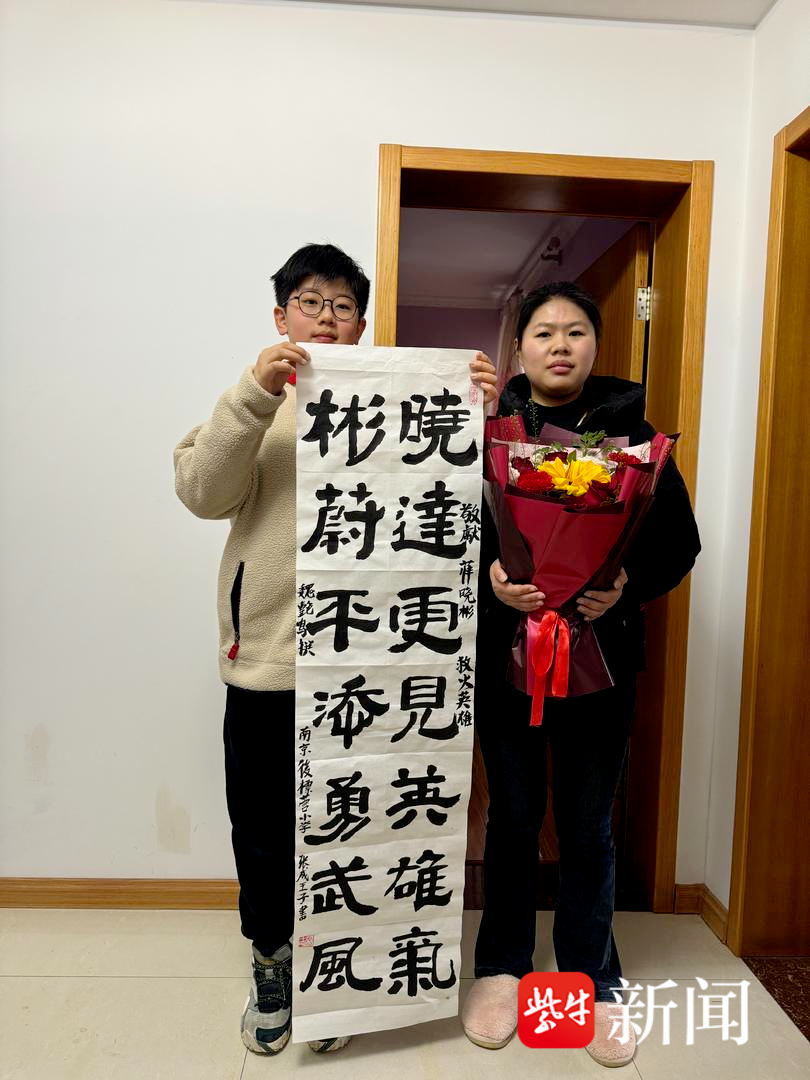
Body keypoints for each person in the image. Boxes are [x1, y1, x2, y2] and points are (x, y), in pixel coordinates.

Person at [174, 243, 497, 1057]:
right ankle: (273, 959)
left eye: (343, 306)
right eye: (311, 302)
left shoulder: (399, 405)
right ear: (281, 316)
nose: (327, 317)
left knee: (355, 825)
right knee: (264, 827)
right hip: (271, 660)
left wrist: (475, 411)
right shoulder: (259, 404)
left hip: (372, 665)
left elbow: (451, 513)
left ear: (361, 325)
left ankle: (341, 979)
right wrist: (253, 395)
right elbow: (200, 492)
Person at [463, 281, 700, 1068]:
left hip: (601, 662)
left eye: (574, 332)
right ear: (519, 348)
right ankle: (502, 966)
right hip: (509, 659)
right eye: (543, 332)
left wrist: (626, 583)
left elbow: (678, 543)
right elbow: (446, 533)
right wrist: (492, 581)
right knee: (514, 816)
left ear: (596, 346)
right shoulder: (484, 434)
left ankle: (590, 979)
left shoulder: (638, 440)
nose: (559, 345)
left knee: (590, 824)